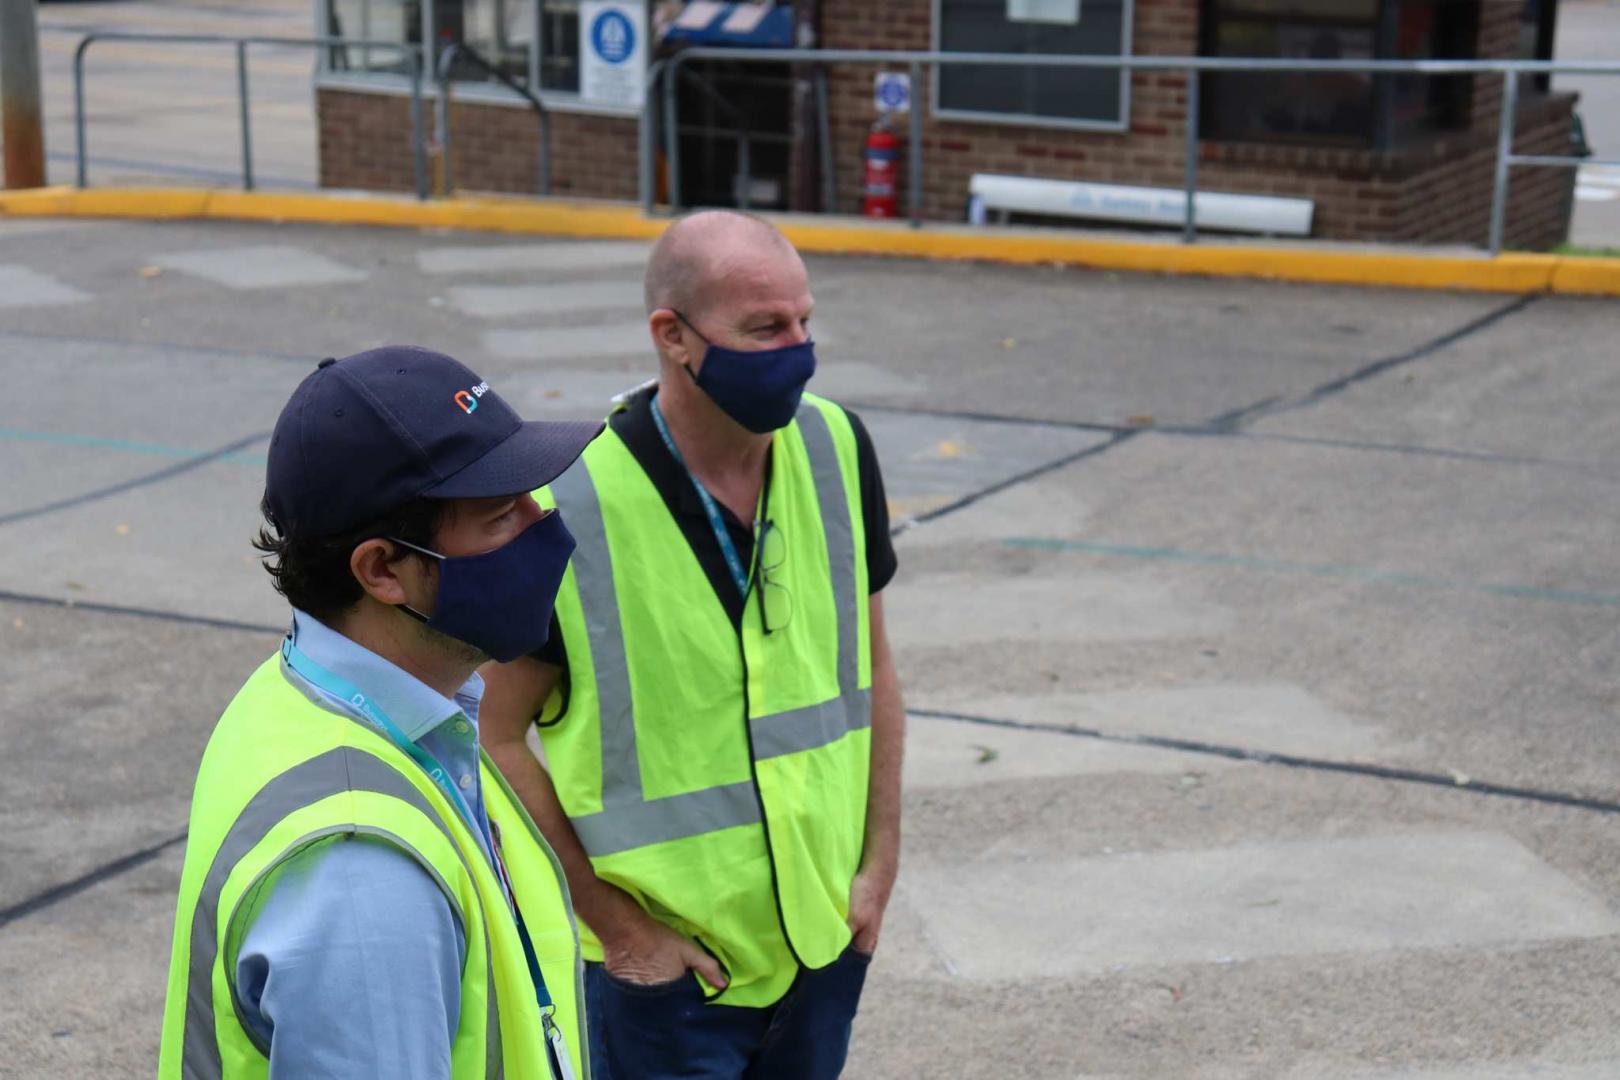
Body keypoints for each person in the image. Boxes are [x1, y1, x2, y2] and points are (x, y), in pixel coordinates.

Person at [481, 210, 905, 1080]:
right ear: (672, 337)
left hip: (822, 946)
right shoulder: (567, 505)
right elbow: (490, 737)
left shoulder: (835, 445)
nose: (797, 349)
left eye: (804, 322)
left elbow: (876, 668)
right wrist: (619, 928)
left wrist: (878, 867)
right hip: (668, 984)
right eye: (764, 330)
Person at [157, 345, 604, 1079]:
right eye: (501, 514)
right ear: (383, 570)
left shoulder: (302, 697)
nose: (544, 523)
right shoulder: (364, 876)